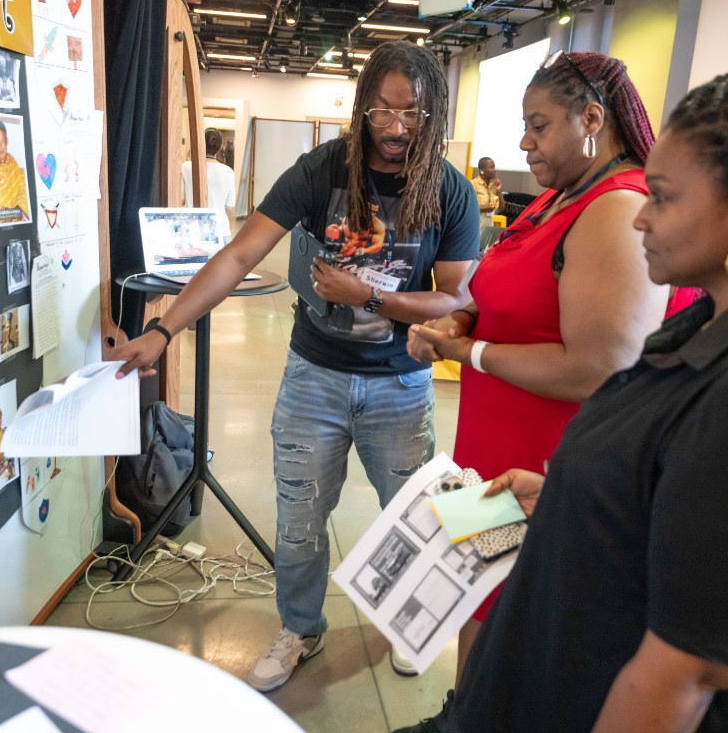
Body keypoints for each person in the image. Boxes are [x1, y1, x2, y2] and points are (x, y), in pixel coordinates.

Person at [401, 69, 728, 733]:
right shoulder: (706, 327)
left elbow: (682, 679)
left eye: (662, 198)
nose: (640, 213)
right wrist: (571, 497)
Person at [113, 41, 479, 692]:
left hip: (400, 384)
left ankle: (407, 624)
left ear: (435, 114)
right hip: (315, 378)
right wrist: (165, 330)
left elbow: (456, 298)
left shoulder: (448, 189)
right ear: (363, 106)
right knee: (301, 516)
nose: (397, 129)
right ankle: (301, 627)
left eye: (414, 115)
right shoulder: (322, 170)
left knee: (409, 516)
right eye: (383, 112)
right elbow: (235, 255)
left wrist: (366, 293)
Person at [406, 51, 668, 686]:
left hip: (549, 461)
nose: (524, 142)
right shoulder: (557, 199)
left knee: (525, 631)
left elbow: (600, 368)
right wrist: (460, 322)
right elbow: (506, 296)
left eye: (539, 125)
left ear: (592, 118)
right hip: (494, 452)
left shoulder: (612, 209)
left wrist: (462, 351)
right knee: (481, 604)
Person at [181, 128, 237, 240]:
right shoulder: (228, 172)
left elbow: (180, 200)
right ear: (221, 146)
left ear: (200, 143)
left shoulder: (186, 167)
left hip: (192, 230)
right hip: (220, 230)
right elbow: (229, 208)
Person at [0, 121, 31, 224]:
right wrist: (1, 215)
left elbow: (22, 196)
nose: (0, 145)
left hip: (13, 214)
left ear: (7, 140)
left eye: (2, 140)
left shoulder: (14, 165)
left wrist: (9, 214)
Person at [469, 156, 503, 223]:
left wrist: (499, 191)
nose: (494, 170)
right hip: (475, 224)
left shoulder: (494, 185)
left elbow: (501, 208)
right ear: (482, 170)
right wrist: (484, 209)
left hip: (489, 225)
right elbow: (467, 208)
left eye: (494, 167)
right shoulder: (472, 184)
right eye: (491, 167)